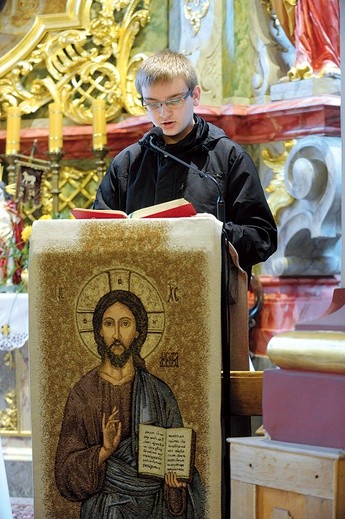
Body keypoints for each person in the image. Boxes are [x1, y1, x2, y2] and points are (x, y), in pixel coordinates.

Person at [93, 49, 277, 283]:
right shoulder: (128, 163)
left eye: (174, 100)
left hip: (206, 290)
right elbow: (97, 232)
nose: (163, 113)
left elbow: (263, 236)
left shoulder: (228, 157)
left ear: (196, 95)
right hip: (138, 288)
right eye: (152, 104)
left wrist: (214, 233)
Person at [55, 289, 204, 518]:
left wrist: (175, 485)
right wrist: (104, 452)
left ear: (137, 332)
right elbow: (65, 474)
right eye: (108, 324)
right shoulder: (83, 394)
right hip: (104, 511)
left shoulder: (159, 392)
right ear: (99, 331)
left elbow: (177, 458)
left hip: (153, 508)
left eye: (125, 324)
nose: (116, 333)